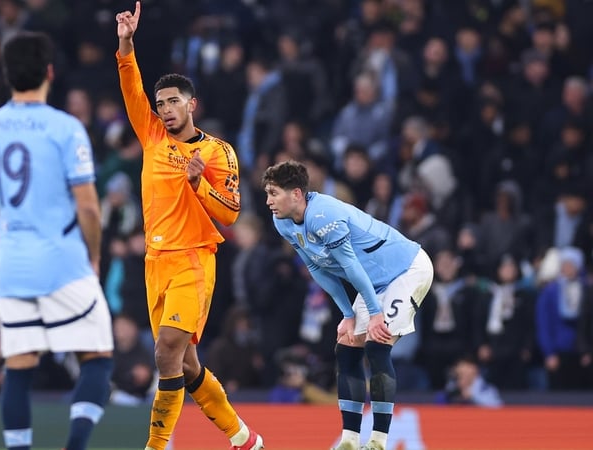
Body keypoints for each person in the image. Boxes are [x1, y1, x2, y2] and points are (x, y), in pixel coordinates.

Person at [115, 3, 262, 450]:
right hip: (155, 262)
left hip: (194, 260)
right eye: (160, 104)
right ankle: (243, 439)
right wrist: (126, 43)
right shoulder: (152, 136)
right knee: (189, 364)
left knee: (165, 352)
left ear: (191, 104)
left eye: (173, 102)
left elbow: (232, 213)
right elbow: (130, 85)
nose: (164, 110)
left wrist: (199, 184)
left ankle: (155, 447)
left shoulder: (218, 152)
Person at [0, 31, 114, 450]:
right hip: (63, 259)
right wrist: (95, 256)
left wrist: (19, 224)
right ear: (50, 72)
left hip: (12, 265)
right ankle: (75, 445)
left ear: (6, 74)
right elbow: (88, 207)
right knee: (97, 357)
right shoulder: (66, 128)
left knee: (18, 368)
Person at [262, 160, 434, 450]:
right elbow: (317, 269)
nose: (268, 201)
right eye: (267, 193)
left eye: (273, 193)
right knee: (347, 346)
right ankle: (350, 441)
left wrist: (375, 314)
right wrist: (347, 314)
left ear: (296, 194)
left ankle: (379, 441)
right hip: (374, 282)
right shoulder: (283, 222)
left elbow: (351, 267)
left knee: (377, 344)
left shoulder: (324, 215)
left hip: (406, 270)